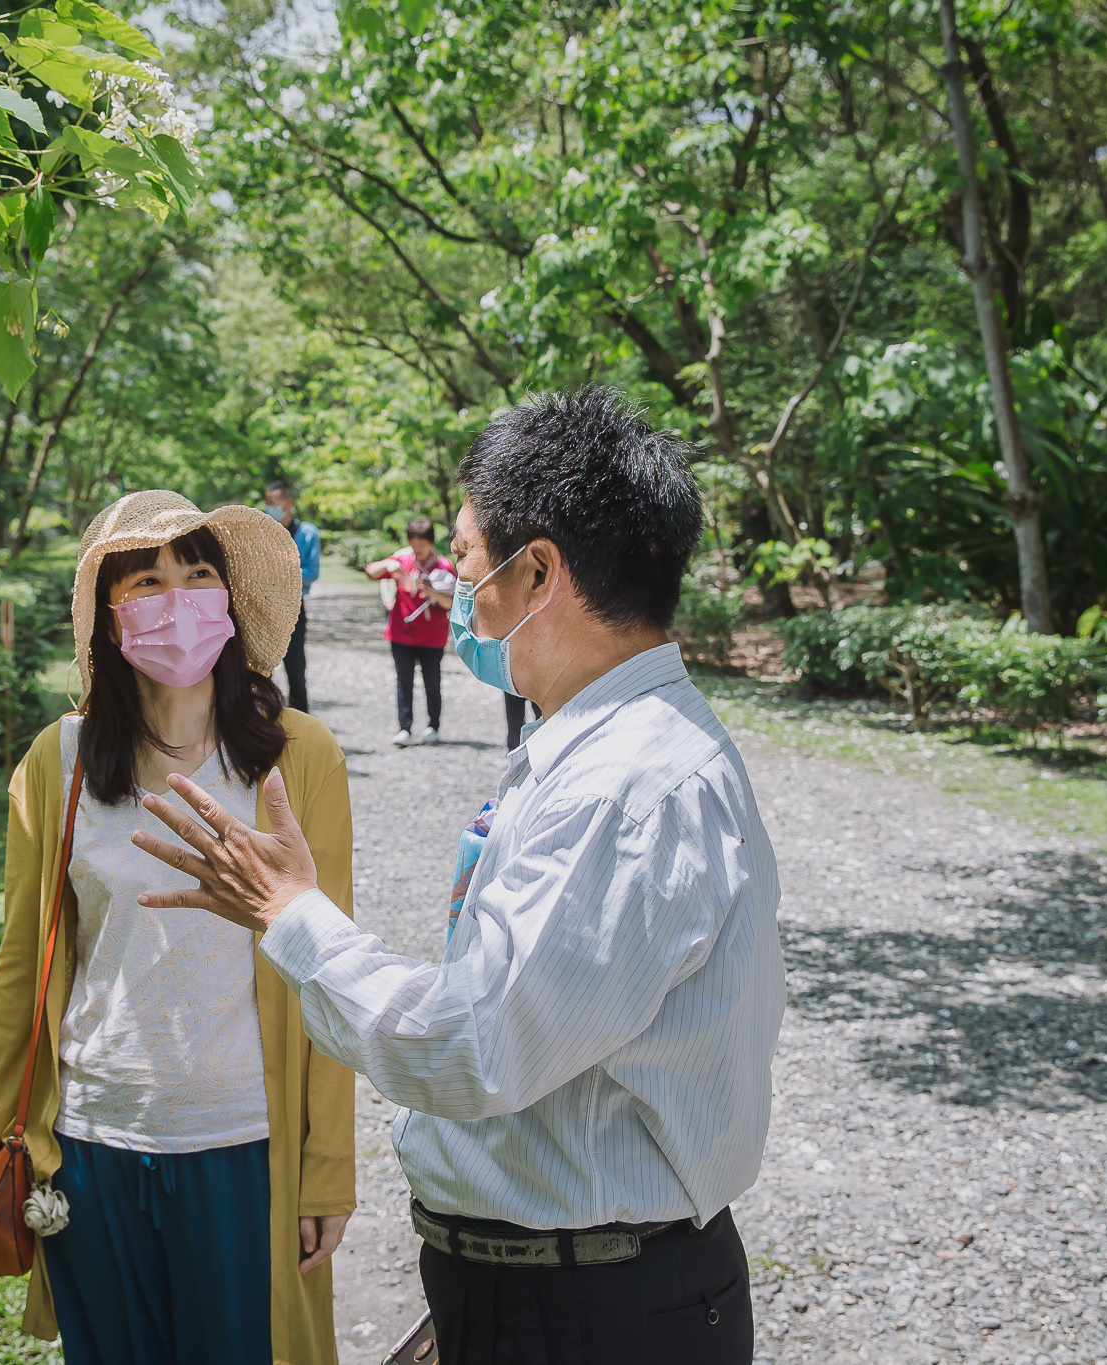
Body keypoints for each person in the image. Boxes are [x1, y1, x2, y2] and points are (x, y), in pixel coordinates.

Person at [130, 389, 787, 1365]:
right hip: (564, 1285)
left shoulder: (615, 789)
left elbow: (472, 1047)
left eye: (469, 568)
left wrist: (291, 916)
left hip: (587, 1310)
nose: (458, 595)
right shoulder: (608, 736)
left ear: (538, 575)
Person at [0, 490, 357, 1365]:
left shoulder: (299, 756)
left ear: (230, 600)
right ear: (107, 616)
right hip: (93, 1147)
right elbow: (22, 969)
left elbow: (332, 975)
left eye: (198, 573)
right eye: (146, 579)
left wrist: (327, 1170)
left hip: (243, 1143)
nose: (177, 596)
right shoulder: (58, 761)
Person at [365, 515, 455, 747]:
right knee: (403, 681)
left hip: (433, 637)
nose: (418, 551)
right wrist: (388, 565)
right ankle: (404, 728)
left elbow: (453, 603)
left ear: (431, 542)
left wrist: (433, 592)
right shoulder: (402, 560)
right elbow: (371, 571)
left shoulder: (445, 566)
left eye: (422, 546)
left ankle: (433, 726)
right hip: (401, 634)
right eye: (414, 545)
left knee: (432, 682)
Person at [264, 479, 320, 712]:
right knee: (262, 670)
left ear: (289, 502)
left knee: (296, 670)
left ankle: (301, 721)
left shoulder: (307, 533)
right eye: (267, 502)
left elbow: (312, 572)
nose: (271, 507)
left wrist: (283, 572)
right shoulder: (261, 530)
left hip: (294, 607)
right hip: (264, 606)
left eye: (275, 502)